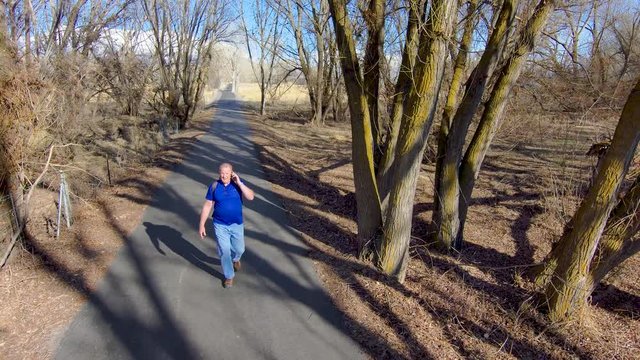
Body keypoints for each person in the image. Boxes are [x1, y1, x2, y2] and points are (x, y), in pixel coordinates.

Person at [199, 162, 254, 288]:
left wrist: (239, 182)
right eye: (222, 173)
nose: (224, 176)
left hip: (237, 224)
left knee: (240, 249)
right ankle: (229, 276)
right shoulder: (214, 186)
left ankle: (236, 259)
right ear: (219, 173)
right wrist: (201, 224)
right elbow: (207, 206)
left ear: (231, 173)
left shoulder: (237, 185)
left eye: (227, 173)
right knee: (224, 251)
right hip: (220, 225)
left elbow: (250, 197)